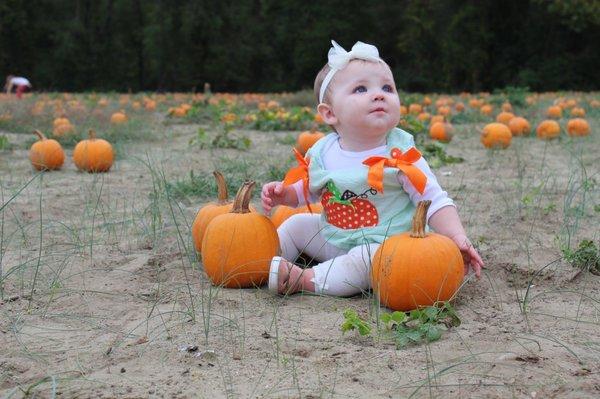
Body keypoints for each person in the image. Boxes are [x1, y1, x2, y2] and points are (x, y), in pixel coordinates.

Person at [261, 40, 484, 297]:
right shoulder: (322, 151)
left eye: (387, 87)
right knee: (295, 224)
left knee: (365, 260)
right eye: (360, 89)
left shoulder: (401, 154)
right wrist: (285, 194)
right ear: (330, 113)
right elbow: (308, 190)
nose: (379, 94)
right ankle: (260, 264)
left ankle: (306, 279)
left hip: (386, 246)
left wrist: (457, 237)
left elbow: (433, 199)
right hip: (335, 236)